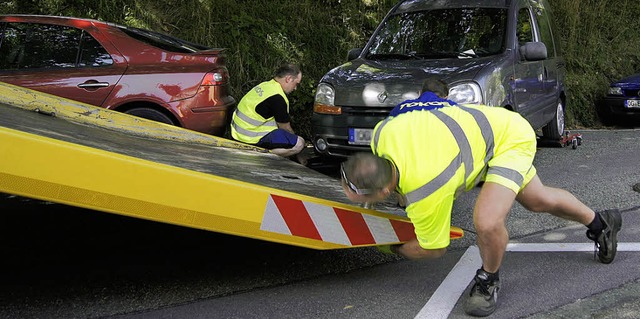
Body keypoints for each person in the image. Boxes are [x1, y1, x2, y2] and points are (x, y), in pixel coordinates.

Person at [339, 79, 622, 317]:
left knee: (486, 221)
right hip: (486, 132)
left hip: (508, 138)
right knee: (537, 200)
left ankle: (488, 279)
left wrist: (392, 248)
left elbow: (434, 249)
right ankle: (601, 223)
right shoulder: (382, 134)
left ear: (385, 190)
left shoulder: (426, 188)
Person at [230, 63, 306, 163]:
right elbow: (286, 128)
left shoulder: (266, 86)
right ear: (288, 79)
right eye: (296, 84)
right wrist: (297, 149)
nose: (295, 88)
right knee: (299, 143)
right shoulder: (278, 98)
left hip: (237, 132)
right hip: (249, 138)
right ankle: (262, 153)